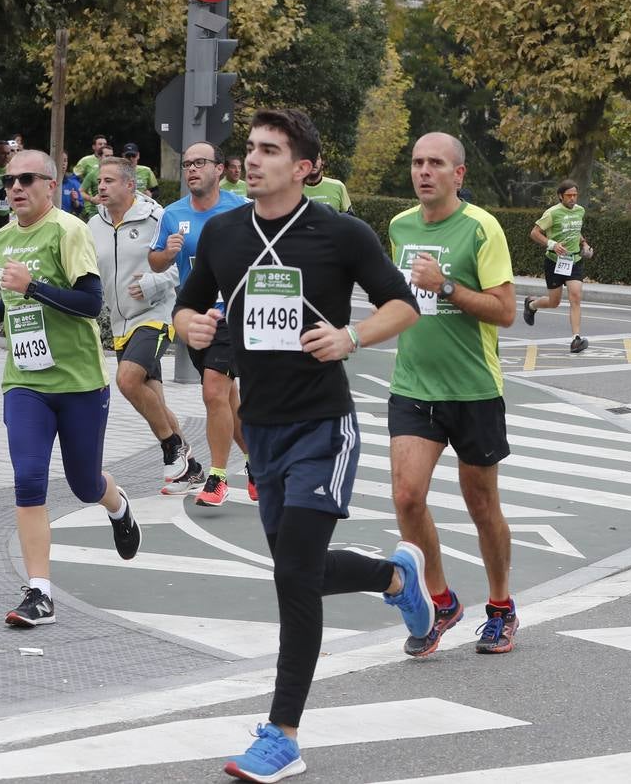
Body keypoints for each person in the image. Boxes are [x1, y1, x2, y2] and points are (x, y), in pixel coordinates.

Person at [172, 108, 430, 783]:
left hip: (324, 426)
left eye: (269, 150)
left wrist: (352, 338)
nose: (251, 160)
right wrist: (191, 328)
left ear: (305, 166)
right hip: (263, 432)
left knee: (292, 575)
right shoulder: (224, 234)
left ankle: (282, 733)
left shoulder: (341, 234)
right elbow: (188, 306)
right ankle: (396, 576)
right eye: (249, 149)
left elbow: (401, 304)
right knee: (301, 567)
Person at [0, 150, 141, 627]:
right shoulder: (1, 239)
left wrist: (34, 286)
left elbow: (90, 304)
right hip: (25, 381)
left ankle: (118, 505)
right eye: (8, 180)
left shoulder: (69, 230)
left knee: (85, 484)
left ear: (50, 183)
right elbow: (11, 302)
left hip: (79, 381)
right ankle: (39, 593)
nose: (15, 187)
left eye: (26, 179)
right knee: (28, 479)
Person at [387, 132, 519, 658]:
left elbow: (505, 311)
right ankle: (442, 601)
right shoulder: (399, 226)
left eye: (436, 163)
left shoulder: (482, 227)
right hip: (413, 384)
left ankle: (501, 606)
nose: (424, 172)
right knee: (406, 496)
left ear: (458, 174)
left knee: (482, 504)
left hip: (473, 389)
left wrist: (446, 287)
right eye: (417, 162)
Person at [89, 157, 205, 492]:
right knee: (152, 399)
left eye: (109, 180)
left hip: (156, 314)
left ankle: (172, 448)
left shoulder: (157, 217)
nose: (101, 187)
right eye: (100, 181)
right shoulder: (91, 226)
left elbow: (181, 266)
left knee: (127, 380)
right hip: (120, 321)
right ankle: (191, 468)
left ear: (130, 185)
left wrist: (154, 283)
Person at [150, 143, 251, 506]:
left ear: (219, 169)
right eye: (187, 164)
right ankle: (258, 466)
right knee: (227, 398)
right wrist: (168, 253)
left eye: (200, 163)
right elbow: (156, 262)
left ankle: (218, 478)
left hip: (229, 314)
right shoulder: (173, 214)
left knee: (212, 391)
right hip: (193, 317)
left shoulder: (241, 209)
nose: (192, 169)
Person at [523, 181, 592, 353]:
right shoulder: (552, 213)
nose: (573, 198)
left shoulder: (580, 211)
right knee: (554, 302)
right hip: (554, 261)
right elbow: (534, 233)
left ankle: (576, 339)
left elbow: (575, 231)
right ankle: (531, 305)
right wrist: (552, 244)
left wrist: (584, 244)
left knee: (575, 296)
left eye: (575, 195)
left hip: (574, 260)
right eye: (569, 195)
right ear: (560, 196)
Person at [59, 152, 87, 218]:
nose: (63, 163)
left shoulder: (73, 184)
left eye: (65, 160)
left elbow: (79, 209)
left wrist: (75, 201)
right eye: (60, 160)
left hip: (66, 221)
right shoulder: (45, 183)